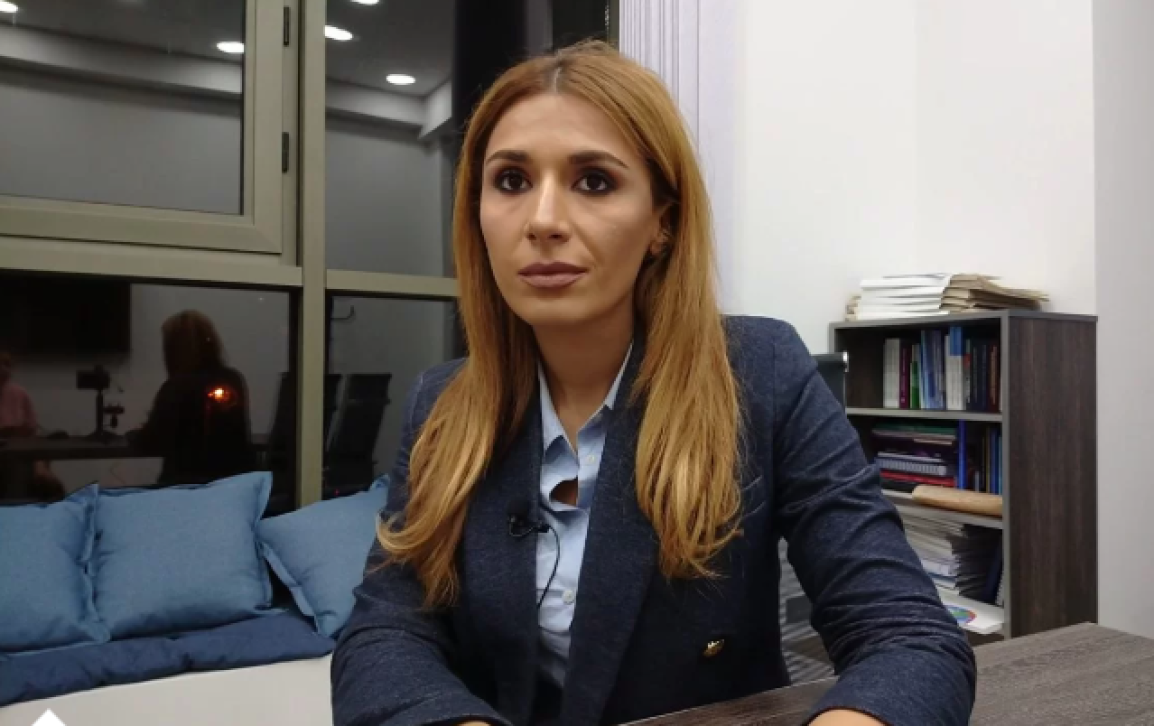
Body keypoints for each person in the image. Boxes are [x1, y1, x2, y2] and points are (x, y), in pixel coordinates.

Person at [332, 42, 975, 726]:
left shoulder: (761, 373)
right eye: (512, 181)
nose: (542, 220)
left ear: (661, 223)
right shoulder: (442, 404)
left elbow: (909, 637)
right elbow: (384, 633)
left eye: (594, 182)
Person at [129, 310, 255, 485]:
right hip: (234, 485)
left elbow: (152, 441)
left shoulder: (176, 386)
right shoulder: (233, 380)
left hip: (185, 486)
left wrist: (133, 436)